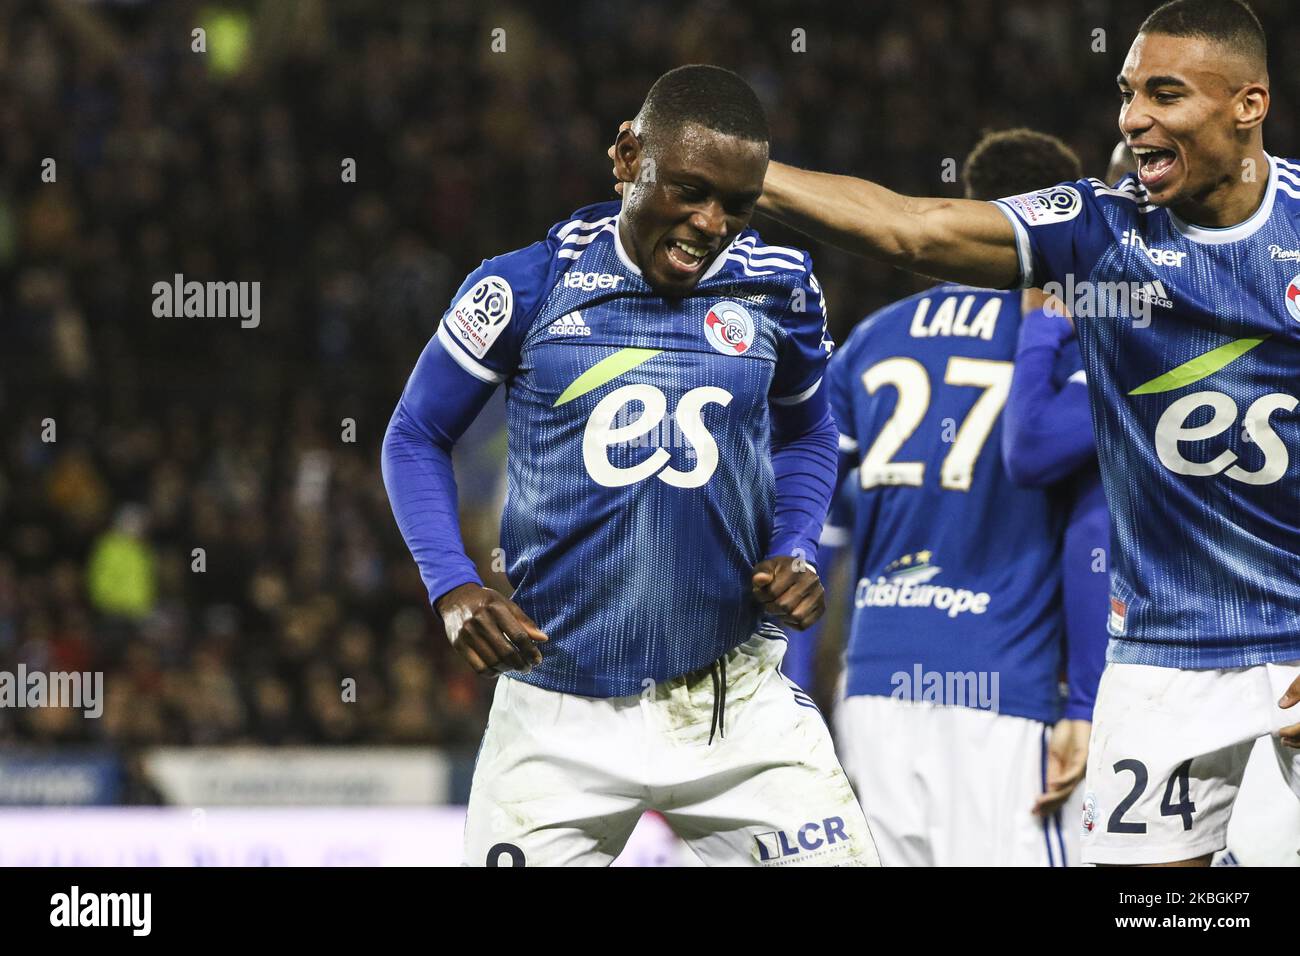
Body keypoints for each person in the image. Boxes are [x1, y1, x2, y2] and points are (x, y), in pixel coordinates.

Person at [755, 0, 1300, 866]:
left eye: (1165, 94)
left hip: (1288, 650)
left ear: (1248, 104)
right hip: (1155, 659)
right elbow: (911, 225)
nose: (1134, 119)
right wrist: (745, 171)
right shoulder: (1099, 232)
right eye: (1127, 94)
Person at [383, 65, 878, 866]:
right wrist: (453, 587)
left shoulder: (783, 289)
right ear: (626, 156)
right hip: (555, 706)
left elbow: (809, 436)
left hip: (733, 703)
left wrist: (795, 544)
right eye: (689, 190)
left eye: (738, 205)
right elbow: (413, 434)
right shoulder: (525, 287)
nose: (712, 222)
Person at [827, 129, 1105, 865]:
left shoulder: (872, 340)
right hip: (1003, 689)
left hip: (874, 683)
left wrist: (794, 688)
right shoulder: (1073, 334)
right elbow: (1090, 529)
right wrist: (1085, 700)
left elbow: (815, 526)